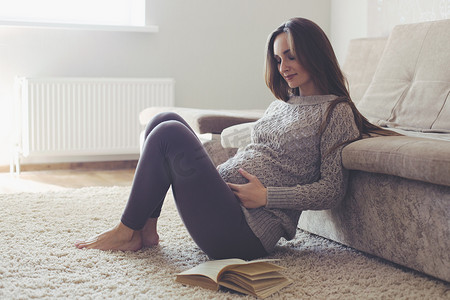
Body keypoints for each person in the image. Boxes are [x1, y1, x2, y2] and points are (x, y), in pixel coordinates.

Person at [75, 17, 391, 260]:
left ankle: (126, 229)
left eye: (291, 56)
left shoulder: (336, 113)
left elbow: (332, 191)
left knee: (169, 133)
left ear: (314, 54)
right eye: (279, 59)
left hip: (245, 232)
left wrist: (267, 197)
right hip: (224, 207)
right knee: (163, 120)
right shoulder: (284, 104)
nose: (283, 67)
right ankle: (146, 229)